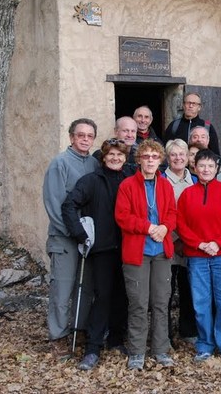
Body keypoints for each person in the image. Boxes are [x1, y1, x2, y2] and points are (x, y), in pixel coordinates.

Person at [62, 138, 132, 370]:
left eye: (120, 155)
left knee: (122, 296)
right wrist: (80, 234)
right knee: (102, 296)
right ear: (103, 157)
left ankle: (115, 339)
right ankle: (93, 347)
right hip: (102, 249)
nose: (115, 158)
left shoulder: (129, 180)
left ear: (125, 158)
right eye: (111, 154)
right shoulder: (91, 181)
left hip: (127, 247)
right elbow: (69, 205)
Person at [115, 139, 177, 370]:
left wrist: (164, 227)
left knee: (161, 302)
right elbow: (122, 216)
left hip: (161, 252)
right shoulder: (128, 185)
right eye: (146, 156)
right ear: (139, 159)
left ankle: (160, 349)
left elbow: (172, 213)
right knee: (139, 303)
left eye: (154, 157)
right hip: (137, 252)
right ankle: (137, 351)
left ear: (160, 161)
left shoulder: (166, 185)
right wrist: (148, 227)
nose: (150, 160)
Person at [43, 118, 100, 358]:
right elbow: (54, 203)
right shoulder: (60, 163)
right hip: (65, 238)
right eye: (80, 135)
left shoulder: (95, 164)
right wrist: (73, 233)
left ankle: (80, 329)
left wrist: (88, 237)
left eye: (89, 136)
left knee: (85, 288)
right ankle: (58, 335)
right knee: (63, 289)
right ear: (71, 137)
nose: (85, 139)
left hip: (88, 239)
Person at [177, 149, 221, 364]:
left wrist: (217, 243)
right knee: (201, 301)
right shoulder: (187, 194)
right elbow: (181, 223)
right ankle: (204, 344)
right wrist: (200, 244)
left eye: (210, 166)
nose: (205, 169)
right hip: (197, 255)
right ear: (195, 167)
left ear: (216, 169)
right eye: (202, 165)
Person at [162, 139, 198, 345]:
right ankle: (164, 334)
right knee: (165, 292)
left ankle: (188, 330)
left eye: (181, 154)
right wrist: (175, 239)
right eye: (173, 154)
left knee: (187, 288)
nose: (178, 158)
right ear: (168, 157)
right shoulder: (161, 180)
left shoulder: (193, 179)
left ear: (187, 157)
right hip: (169, 243)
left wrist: (188, 240)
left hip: (189, 245)